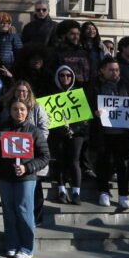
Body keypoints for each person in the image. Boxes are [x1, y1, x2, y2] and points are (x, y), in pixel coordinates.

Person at [0, 99, 50, 258]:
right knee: (8, 210)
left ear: (27, 111)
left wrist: (27, 168)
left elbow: (45, 156)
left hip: (26, 178)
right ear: (10, 110)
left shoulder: (34, 131)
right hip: (5, 177)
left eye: (22, 109)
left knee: (24, 209)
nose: (18, 112)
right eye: (15, 109)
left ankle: (27, 247)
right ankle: (12, 244)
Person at [91, 57, 129, 209]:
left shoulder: (128, 86)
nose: (114, 73)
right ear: (102, 70)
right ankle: (103, 192)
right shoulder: (94, 87)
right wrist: (94, 113)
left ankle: (124, 196)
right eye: (111, 70)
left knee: (123, 165)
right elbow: (86, 107)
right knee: (103, 163)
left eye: (117, 70)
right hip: (102, 133)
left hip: (123, 134)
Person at [51, 65, 87, 205]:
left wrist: (74, 129)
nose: (65, 78)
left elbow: (84, 118)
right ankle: (61, 190)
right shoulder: (52, 93)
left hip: (77, 134)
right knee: (60, 160)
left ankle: (76, 193)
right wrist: (61, 129)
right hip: (58, 133)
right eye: (62, 75)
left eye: (69, 75)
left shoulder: (78, 93)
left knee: (74, 160)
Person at [54, 19, 92, 86]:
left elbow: (91, 74)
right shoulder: (56, 53)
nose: (76, 37)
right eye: (72, 34)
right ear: (63, 36)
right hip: (64, 91)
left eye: (78, 34)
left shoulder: (84, 53)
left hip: (84, 91)